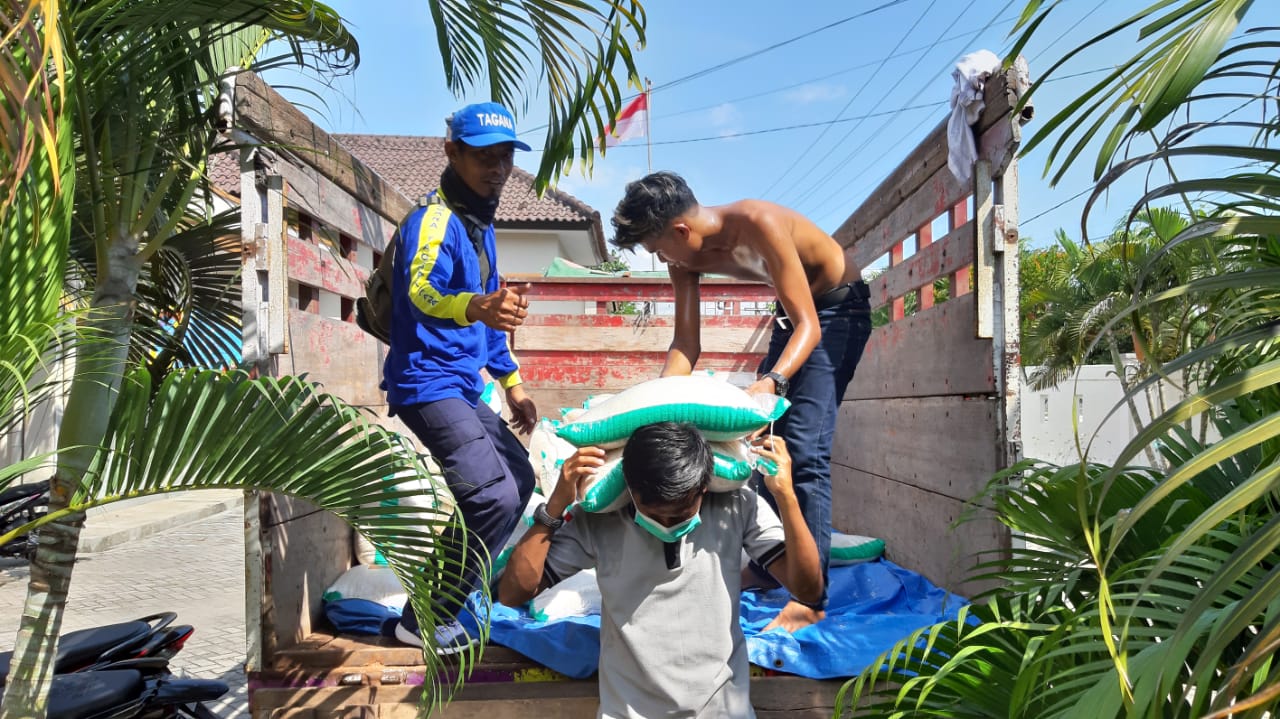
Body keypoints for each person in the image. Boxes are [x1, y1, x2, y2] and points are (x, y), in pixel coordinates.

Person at [610, 171, 872, 632]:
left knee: (804, 453)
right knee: (754, 443)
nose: (660, 259)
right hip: (792, 319)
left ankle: (810, 597)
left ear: (680, 231)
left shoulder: (758, 222)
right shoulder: (683, 260)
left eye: (657, 249)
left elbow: (810, 324)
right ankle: (776, 563)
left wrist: (771, 380)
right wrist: (654, 406)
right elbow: (686, 346)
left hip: (835, 309)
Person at [498, 423, 821, 719]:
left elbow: (808, 591)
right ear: (630, 489)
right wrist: (555, 507)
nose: (667, 524)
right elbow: (514, 593)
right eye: (653, 513)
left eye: (680, 513)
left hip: (722, 709)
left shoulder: (738, 507)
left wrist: (786, 495)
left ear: (704, 488)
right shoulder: (597, 521)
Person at [384, 101, 538, 653]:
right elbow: (420, 292)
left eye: (503, 159)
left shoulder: (482, 226)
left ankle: (449, 593)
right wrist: (475, 306)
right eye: (482, 157)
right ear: (451, 152)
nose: (495, 169)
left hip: (462, 384)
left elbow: (493, 316)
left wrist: (512, 382)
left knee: (518, 482)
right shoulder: (434, 220)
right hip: (425, 381)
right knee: (491, 496)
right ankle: (423, 617)